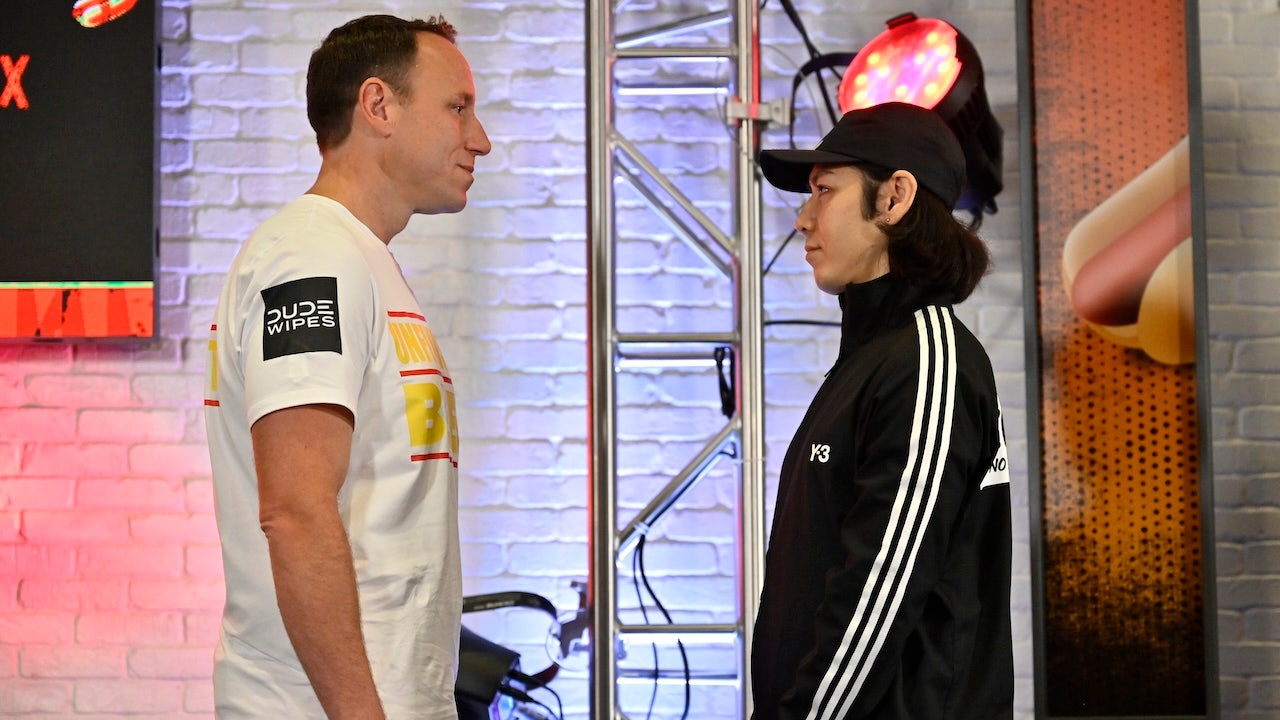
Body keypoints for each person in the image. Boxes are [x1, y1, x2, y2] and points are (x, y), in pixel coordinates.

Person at [203, 14, 491, 719]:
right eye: (458, 108)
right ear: (378, 106)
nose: (479, 138)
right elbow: (296, 511)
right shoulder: (312, 258)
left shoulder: (356, 258)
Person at [750, 102, 1013, 720]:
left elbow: (875, 601)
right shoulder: (875, 361)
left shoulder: (927, 362)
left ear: (894, 197)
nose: (803, 218)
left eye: (824, 191)